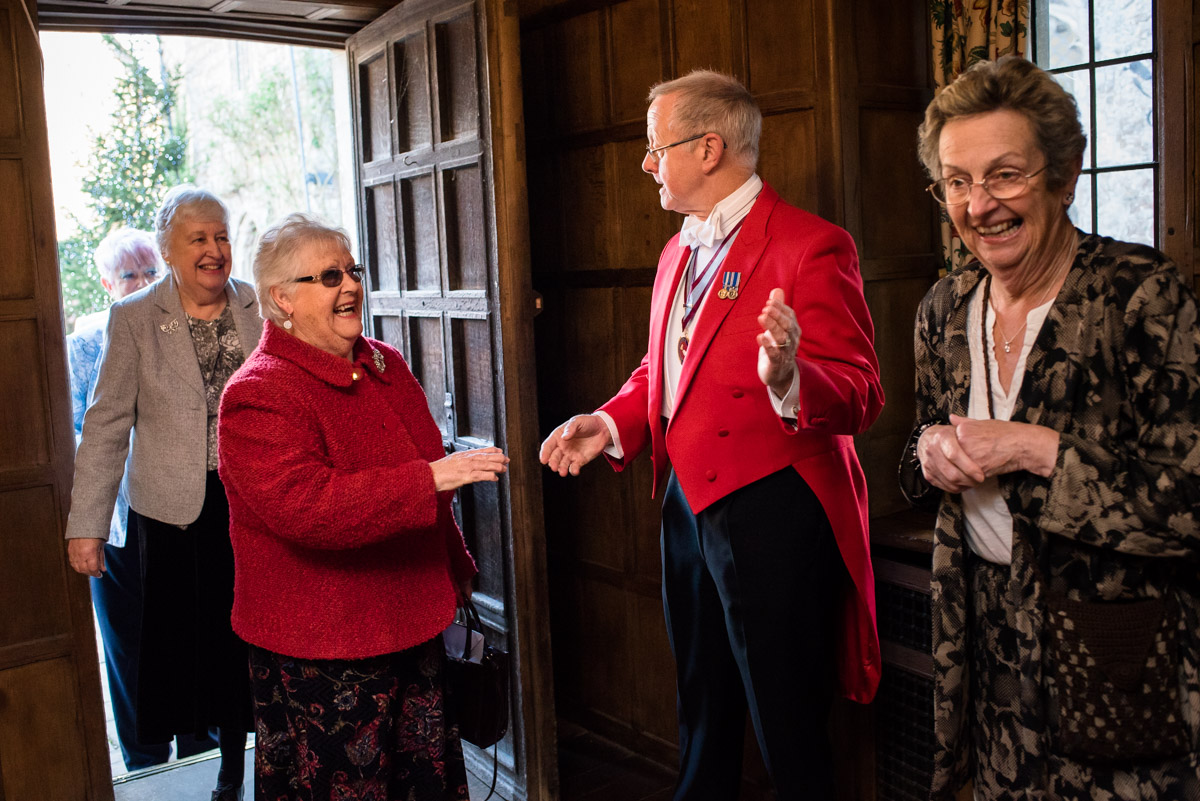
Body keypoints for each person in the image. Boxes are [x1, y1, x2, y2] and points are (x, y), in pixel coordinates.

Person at [539, 70, 884, 801]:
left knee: (788, 723)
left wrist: (787, 374)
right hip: (686, 507)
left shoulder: (812, 245)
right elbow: (662, 370)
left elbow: (861, 391)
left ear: (708, 147)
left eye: (654, 146)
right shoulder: (676, 251)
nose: (645, 162)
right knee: (701, 707)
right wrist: (609, 421)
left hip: (776, 512)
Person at [900, 56, 1200, 800]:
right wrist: (930, 450)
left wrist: (1039, 450)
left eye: (1005, 175)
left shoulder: (1142, 296)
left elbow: (1190, 503)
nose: (979, 205)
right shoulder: (943, 307)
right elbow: (912, 460)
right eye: (957, 182)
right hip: (982, 647)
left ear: (1065, 175)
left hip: (1115, 658)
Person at [217, 213, 508, 801]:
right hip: (326, 647)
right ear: (282, 300)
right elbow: (307, 508)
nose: (349, 286)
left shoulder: (383, 363)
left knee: (423, 782)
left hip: (413, 621)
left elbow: (431, 479)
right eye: (328, 277)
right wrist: (424, 481)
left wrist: (454, 569)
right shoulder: (257, 392)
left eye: (352, 270)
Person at [66, 186, 260, 801]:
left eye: (221, 236)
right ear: (169, 250)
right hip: (173, 514)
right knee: (183, 649)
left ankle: (236, 766)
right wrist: (87, 525)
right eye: (197, 238)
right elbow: (104, 424)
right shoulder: (135, 316)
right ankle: (178, 774)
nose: (214, 249)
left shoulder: (258, 305)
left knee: (247, 640)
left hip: (253, 504)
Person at [67, 227, 175, 772]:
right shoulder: (87, 344)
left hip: (179, 511)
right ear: (108, 283)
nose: (142, 283)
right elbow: (79, 432)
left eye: (151, 271)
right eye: (129, 274)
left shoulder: (177, 331)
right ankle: (147, 763)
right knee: (128, 646)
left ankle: (206, 755)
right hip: (117, 520)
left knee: (188, 636)